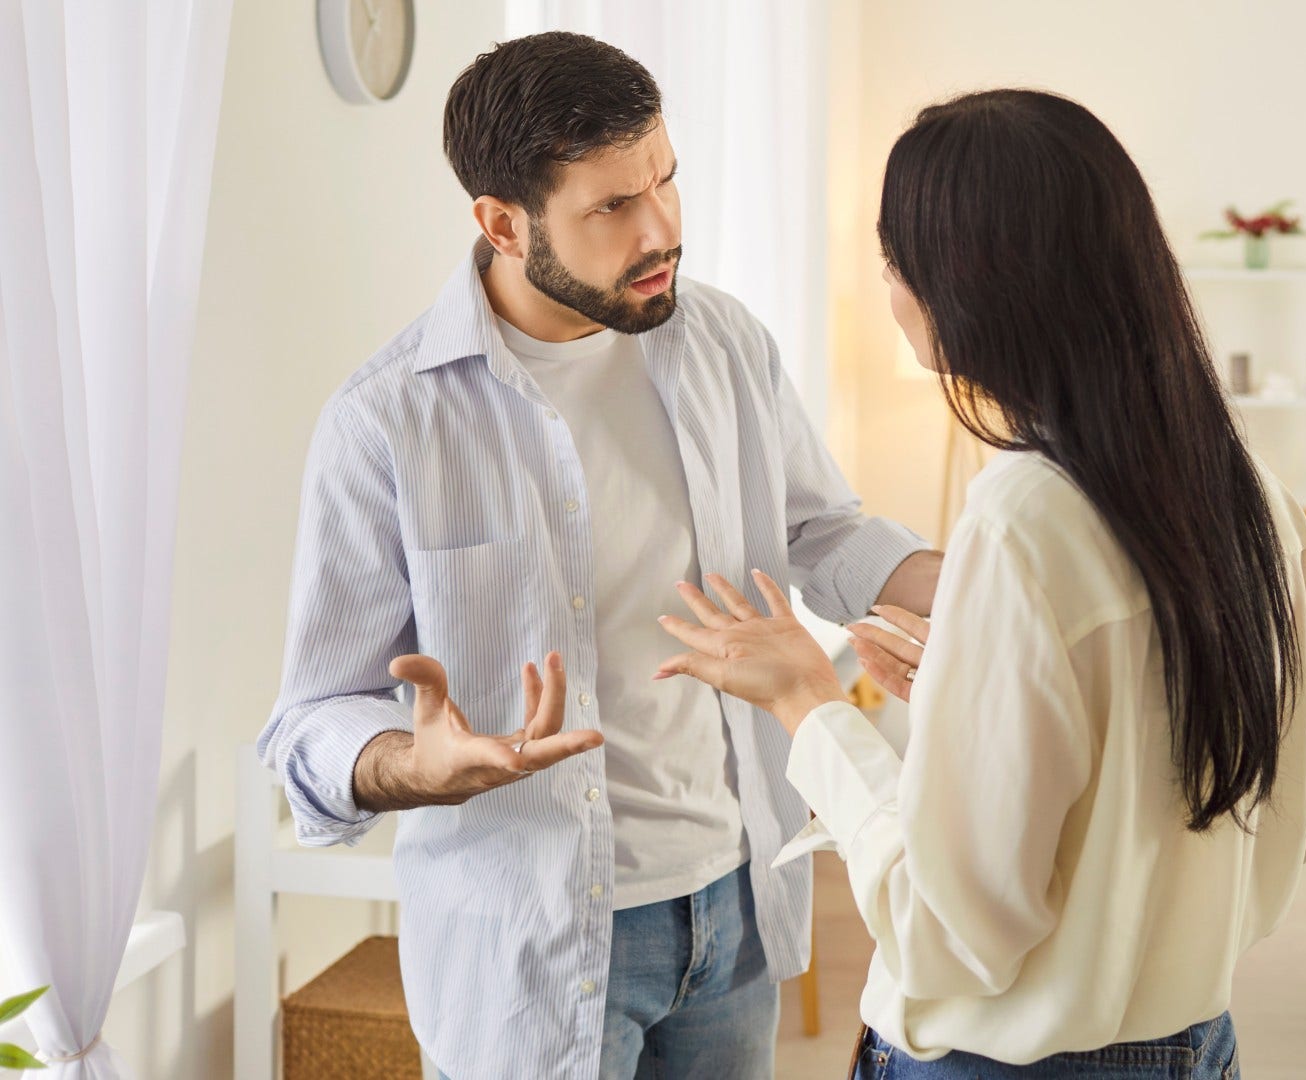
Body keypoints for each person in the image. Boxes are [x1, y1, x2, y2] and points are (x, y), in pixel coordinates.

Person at [256, 32, 940, 1080]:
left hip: (736, 904)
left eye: (665, 181)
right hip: (532, 947)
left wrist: (998, 585)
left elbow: (824, 531)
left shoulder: (724, 342)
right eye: (612, 207)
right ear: (499, 221)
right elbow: (311, 718)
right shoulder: (387, 422)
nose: (661, 228)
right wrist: (412, 765)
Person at [656, 89, 1306, 1078]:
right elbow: (1302, 812)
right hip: (1201, 1046)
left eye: (894, 262)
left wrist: (808, 703)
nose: (889, 288)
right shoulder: (1253, 496)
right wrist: (974, 696)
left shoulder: (1022, 517)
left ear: (968, 285)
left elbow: (948, 932)